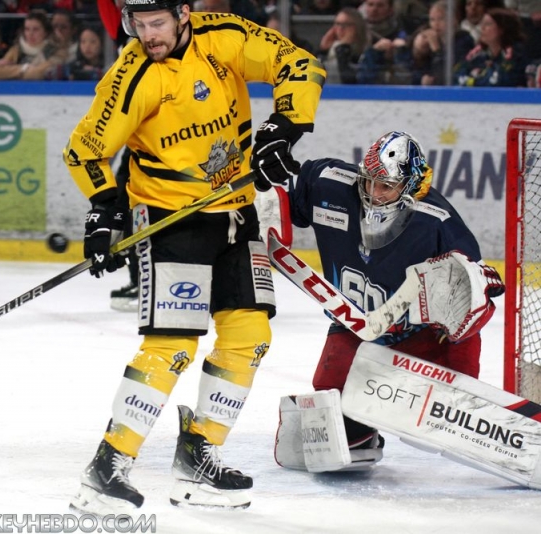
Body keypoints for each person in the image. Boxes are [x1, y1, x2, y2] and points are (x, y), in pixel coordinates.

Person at [63, 0, 324, 513]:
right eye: (137, 24)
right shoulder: (134, 74)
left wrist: (283, 128)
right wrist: (105, 210)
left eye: (157, 22)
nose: (147, 34)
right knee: (172, 345)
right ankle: (107, 465)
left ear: (184, 13)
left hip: (237, 213)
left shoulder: (223, 38)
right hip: (170, 220)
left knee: (250, 335)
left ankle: (198, 456)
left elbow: (300, 64)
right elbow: (84, 150)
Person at [278, 131, 503, 468]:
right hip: (354, 327)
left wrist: (469, 303)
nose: (374, 194)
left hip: (419, 337)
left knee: (458, 363)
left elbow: (476, 295)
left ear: (410, 185)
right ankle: (360, 432)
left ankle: (466, 407)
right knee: (332, 411)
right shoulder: (330, 185)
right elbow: (285, 196)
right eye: (369, 182)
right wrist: (268, 202)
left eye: (386, 186)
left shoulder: (437, 223)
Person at [454, 7, 528, 86]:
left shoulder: (515, 54)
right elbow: (456, 75)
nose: (482, 28)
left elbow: (499, 82)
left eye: (488, 24)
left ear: (501, 29)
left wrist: (474, 81)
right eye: (482, 24)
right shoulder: (478, 55)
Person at [410, 0, 474, 85]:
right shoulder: (428, 37)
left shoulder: (464, 40)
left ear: (453, 19)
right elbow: (412, 73)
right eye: (432, 20)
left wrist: (436, 50)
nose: (436, 24)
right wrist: (419, 53)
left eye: (441, 19)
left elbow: (449, 74)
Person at [0, 9, 66, 79]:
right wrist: (24, 67)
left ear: (46, 32)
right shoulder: (16, 50)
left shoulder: (57, 51)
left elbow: (36, 74)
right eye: (27, 29)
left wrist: (11, 70)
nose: (30, 34)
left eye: (36, 29)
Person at [317, 7, 369, 83]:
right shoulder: (331, 50)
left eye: (346, 24)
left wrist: (343, 47)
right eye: (338, 24)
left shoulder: (364, 53)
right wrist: (323, 51)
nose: (340, 28)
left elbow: (348, 80)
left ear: (357, 27)